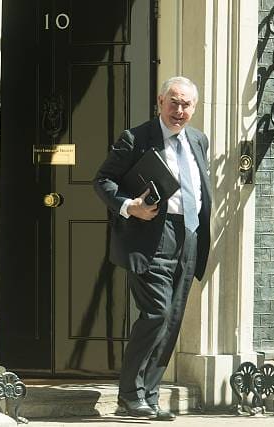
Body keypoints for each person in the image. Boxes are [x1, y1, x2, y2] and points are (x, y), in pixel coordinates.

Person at [93, 76, 212, 421]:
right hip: (152, 235)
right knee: (157, 312)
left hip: (189, 235)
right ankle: (131, 395)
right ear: (160, 102)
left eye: (186, 104)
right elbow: (103, 180)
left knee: (171, 320)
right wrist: (129, 206)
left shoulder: (198, 140)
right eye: (174, 102)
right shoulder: (136, 138)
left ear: (194, 108)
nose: (179, 110)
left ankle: (149, 396)